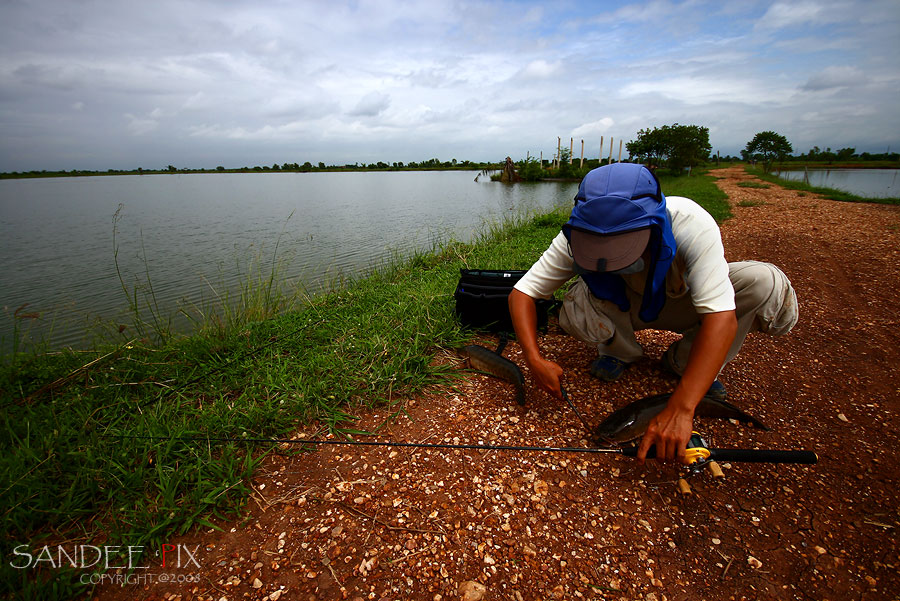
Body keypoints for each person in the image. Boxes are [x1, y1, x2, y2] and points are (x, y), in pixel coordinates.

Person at [508, 163, 798, 462]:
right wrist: (533, 358)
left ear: (656, 220)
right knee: (576, 303)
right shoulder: (575, 235)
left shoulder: (690, 221)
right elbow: (522, 293)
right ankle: (618, 351)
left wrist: (683, 409)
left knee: (762, 282)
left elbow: (720, 317)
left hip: (682, 300)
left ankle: (685, 362)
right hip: (623, 304)